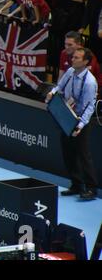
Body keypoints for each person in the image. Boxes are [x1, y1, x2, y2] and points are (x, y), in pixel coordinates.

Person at [46, 48, 98, 201]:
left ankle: (91, 188)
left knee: (82, 154)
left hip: (81, 121)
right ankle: (76, 184)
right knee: (68, 152)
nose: (72, 59)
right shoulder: (69, 71)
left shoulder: (89, 82)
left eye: (76, 57)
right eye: (73, 57)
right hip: (67, 116)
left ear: (85, 62)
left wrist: (80, 126)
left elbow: (90, 107)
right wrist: (52, 92)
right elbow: (59, 87)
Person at [57, 31, 102, 96]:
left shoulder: (89, 56)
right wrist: (58, 91)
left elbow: (85, 81)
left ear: (78, 44)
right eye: (65, 44)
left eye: (70, 45)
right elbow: (61, 75)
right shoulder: (64, 53)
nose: (66, 47)